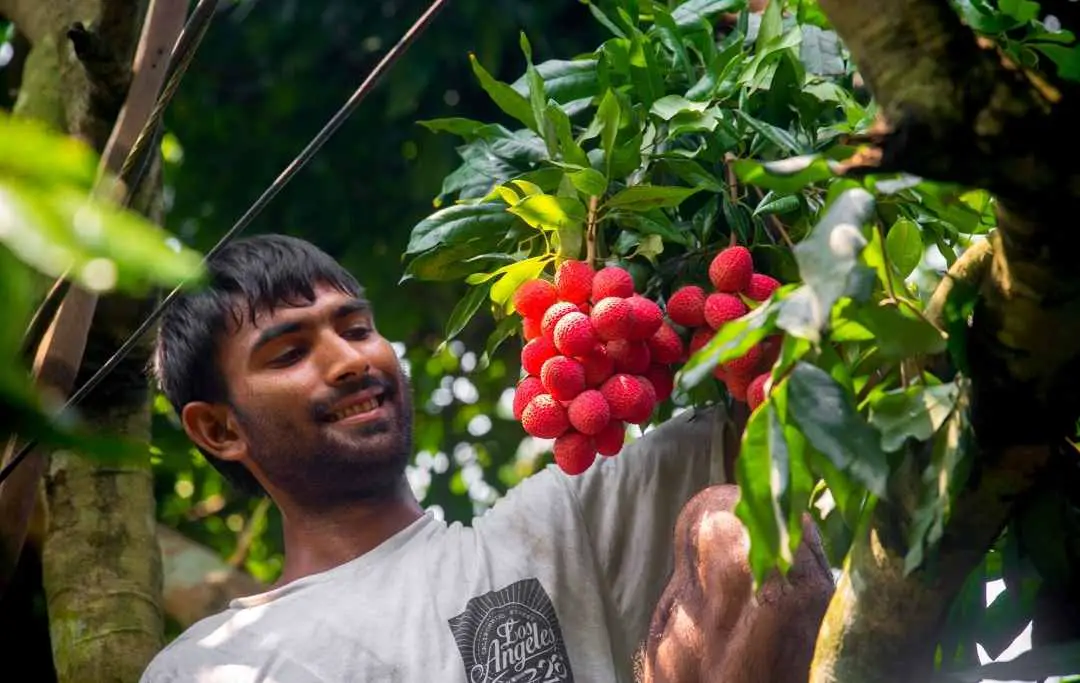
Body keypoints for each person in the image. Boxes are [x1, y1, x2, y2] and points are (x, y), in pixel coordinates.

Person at [140, 233, 832, 683]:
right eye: (290, 352)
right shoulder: (209, 666)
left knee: (740, 523)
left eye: (356, 328)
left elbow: (777, 406)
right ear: (219, 430)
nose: (350, 359)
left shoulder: (556, 525)